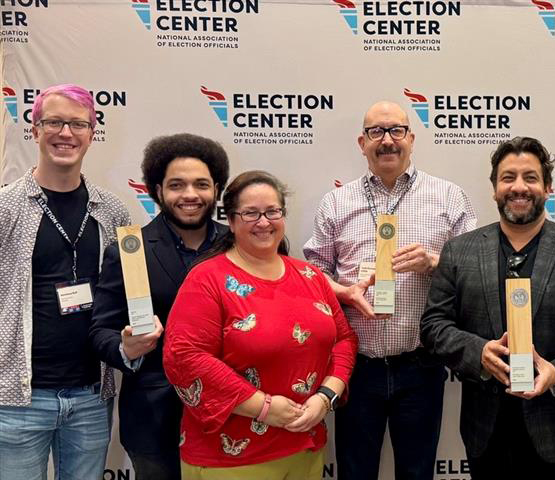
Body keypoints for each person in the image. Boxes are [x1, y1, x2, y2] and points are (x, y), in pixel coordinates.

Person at [420, 136, 555, 479]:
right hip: (487, 433)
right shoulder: (459, 252)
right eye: (508, 177)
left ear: (548, 187)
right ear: (494, 188)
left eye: (530, 177)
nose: (519, 187)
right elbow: (434, 325)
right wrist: (479, 352)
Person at [303, 101, 477, 479]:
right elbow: (313, 274)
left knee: (416, 473)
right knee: (354, 471)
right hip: (355, 368)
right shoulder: (336, 202)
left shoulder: (449, 198)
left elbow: (475, 275)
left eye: (396, 130)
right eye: (376, 132)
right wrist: (346, 292)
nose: (387, 141)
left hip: (420, 365)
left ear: (411, 139)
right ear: (361, 142)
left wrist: (435, 263)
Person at [163, 170, 357, 479]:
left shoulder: (310, 276)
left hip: (305, 447)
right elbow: (184, 358)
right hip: (233, 458)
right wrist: (263, 408)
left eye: (272, 211)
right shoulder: (207, 279)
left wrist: (326, 397)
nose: (264, 222)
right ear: (231, 218)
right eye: (251, 213)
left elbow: (344, 339)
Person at [0, 84, 131, 480]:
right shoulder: (5, 207)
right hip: (18, 397)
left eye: (78, 124)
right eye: (54, 122)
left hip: (92, 393)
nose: (66, 133)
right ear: (34, 129)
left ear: (92, 133)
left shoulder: (112, 210)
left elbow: (126, 294)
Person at [89, 133, 230, 479]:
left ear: (217, 189)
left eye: (201, 184)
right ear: (157, 190)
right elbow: (99, 331)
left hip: (231, 412)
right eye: (176, 185)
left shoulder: (237, 244)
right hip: (153, 418)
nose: (190, 195)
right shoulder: (130, 249)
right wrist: (125, 347)